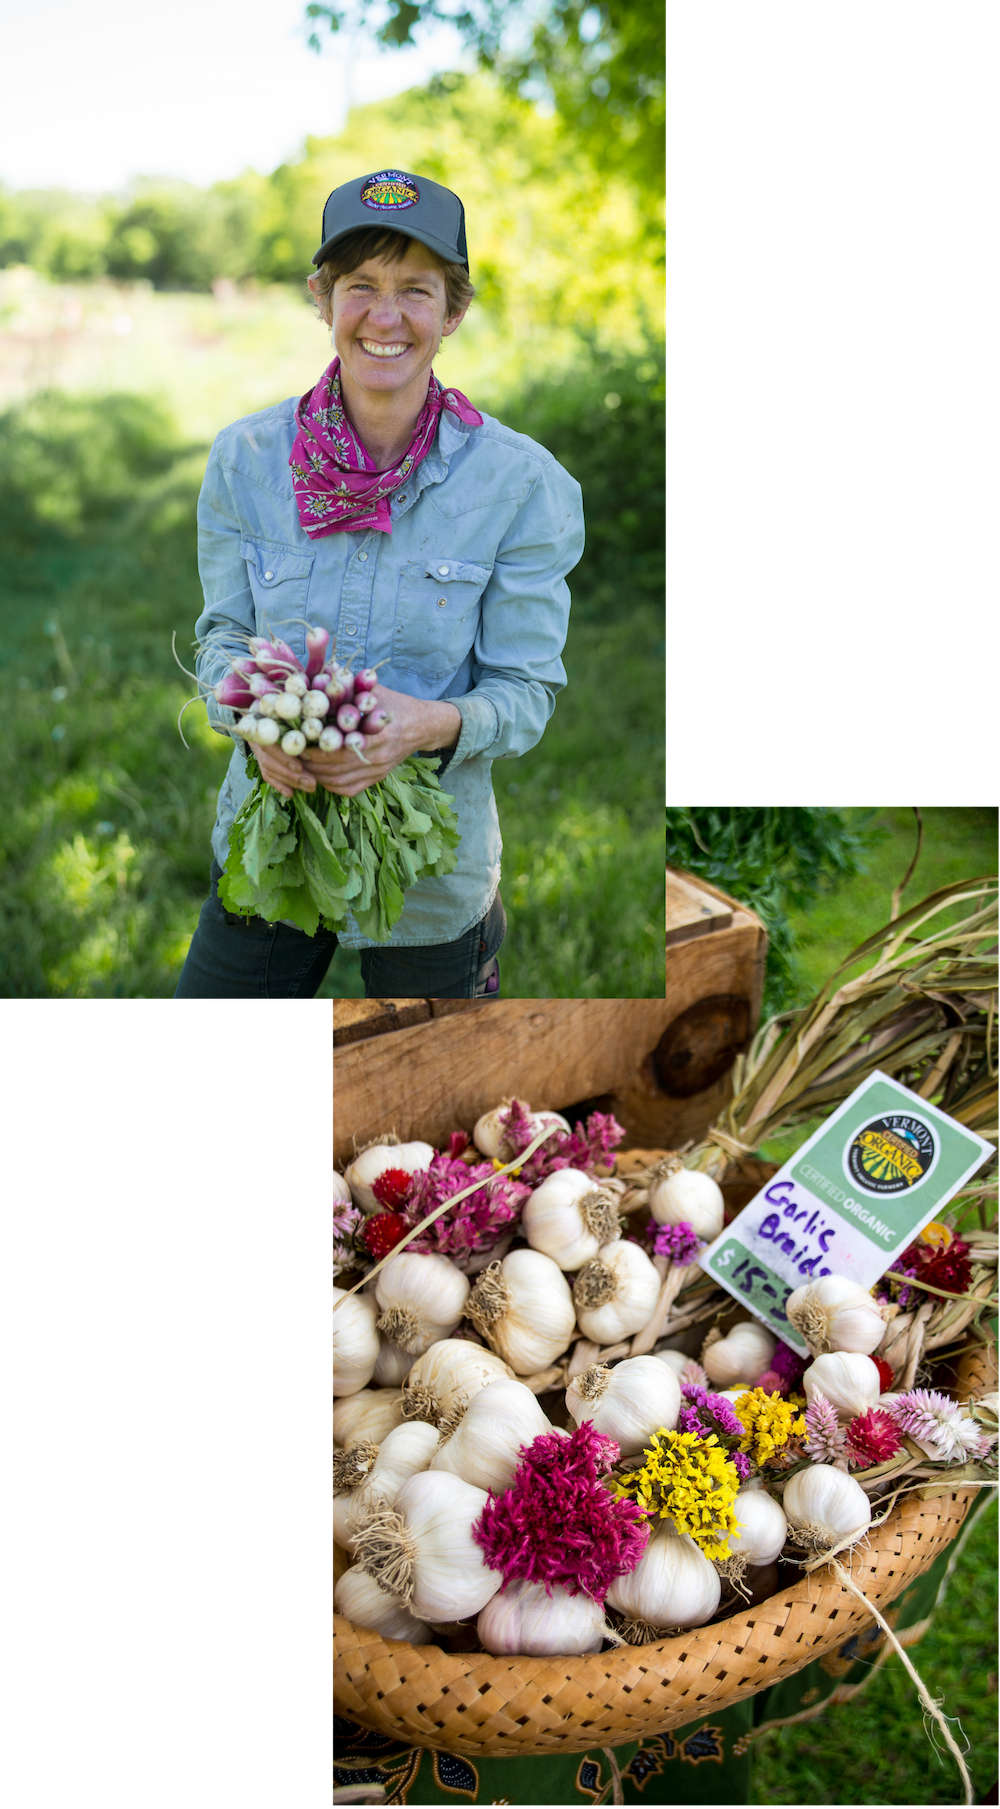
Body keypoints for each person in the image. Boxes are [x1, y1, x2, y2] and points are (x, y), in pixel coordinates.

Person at [174, 167, 585, 1000]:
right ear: (323, 301)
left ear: (454, 311)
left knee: (434, 1113)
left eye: (416, 290)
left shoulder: (522, 485)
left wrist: (424, 726)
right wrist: (252, 715)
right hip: (267, 845)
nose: (385, 316)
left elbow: (526, 692)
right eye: (360, 285)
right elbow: (221, 638)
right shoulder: (245, 461)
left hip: (435, 876)